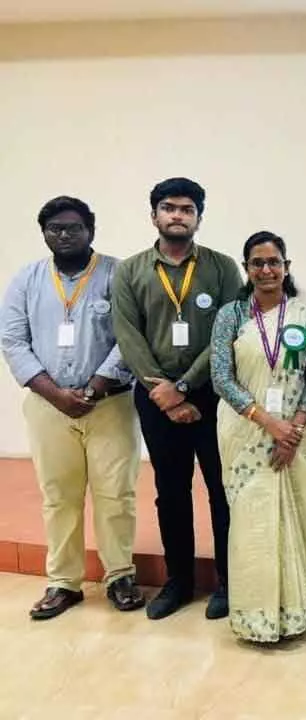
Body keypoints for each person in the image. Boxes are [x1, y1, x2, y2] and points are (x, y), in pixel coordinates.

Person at [1, 196, 144, 619]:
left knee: (116, 494)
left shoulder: (118, 274)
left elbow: (130, 335)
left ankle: (120, 575)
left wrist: (97, 385)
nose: (64, 235)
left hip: (111, 404)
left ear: (91, 231)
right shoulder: (26, 279)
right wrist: (55, 393)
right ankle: (64, 582)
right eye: (55, 229)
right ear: (44, 233)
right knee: (58, 496)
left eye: (73, 228)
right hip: (49, 406)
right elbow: (12, 341)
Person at [112, 177, 243, 621]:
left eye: (187, 209)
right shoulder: (130, 271)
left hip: (215, 395)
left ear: (198, 218)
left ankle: (229, 582)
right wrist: (163, 392)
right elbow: (128, 337)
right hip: (155, 397)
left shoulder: (223, 268)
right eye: (169, 208)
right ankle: (178, 582)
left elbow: (228, 332)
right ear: (154, 215)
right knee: (170, 492)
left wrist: (184, 386)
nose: (177, 215)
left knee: (223, 492)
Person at [210, 232, 306, 643]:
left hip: (297, 434)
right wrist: (268, 422)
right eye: (257, 263)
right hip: (245, 433)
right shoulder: (231, 314)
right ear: (246, 269)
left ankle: (297, 612)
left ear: (286, 266)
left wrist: (292, 427)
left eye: (273, 262)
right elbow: (221, 376)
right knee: (250, 522)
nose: (266, 270)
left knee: (301, 517)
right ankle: (254, 617)